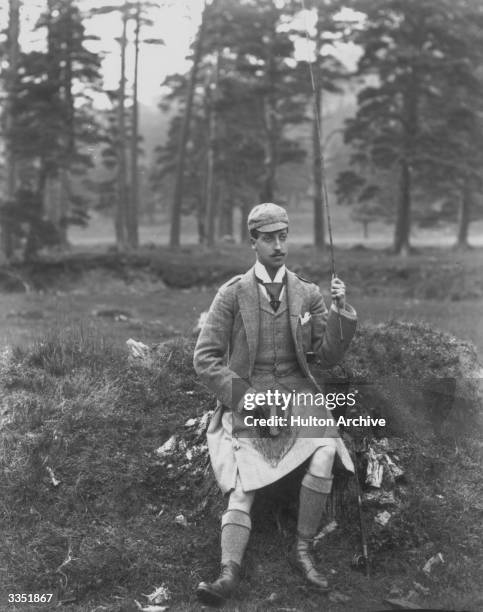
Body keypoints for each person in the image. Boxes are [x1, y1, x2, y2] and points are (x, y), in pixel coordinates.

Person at [193, 203, 357, 606]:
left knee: (322, 451)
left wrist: (340, 311)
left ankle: (303, 550)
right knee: (243, 480)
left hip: (300, 396)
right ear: (253, 242)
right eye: (269, 238)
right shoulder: (231, 295)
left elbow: (327, 355)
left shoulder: (307, 293)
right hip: (253, 400)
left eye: (283, 237)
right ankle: (229, 572)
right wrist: (246, 400)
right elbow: (206, 358)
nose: (279, 246)